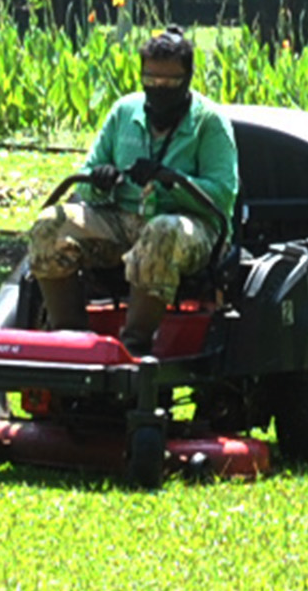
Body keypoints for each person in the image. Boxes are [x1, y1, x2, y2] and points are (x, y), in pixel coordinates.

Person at [25, 28, 239, 352]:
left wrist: (173, 181)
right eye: (151, 80)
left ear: (188, 77)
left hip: (190, 225)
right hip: (121, 217)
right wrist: (99, 179)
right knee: (49, 223)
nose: (159, 89)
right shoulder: (125, 112)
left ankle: (133, 348)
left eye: (169, 83)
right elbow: (87, 171)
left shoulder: (209, 122)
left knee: (162, 232)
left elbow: (223, 193)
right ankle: (69, 342)